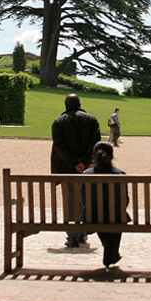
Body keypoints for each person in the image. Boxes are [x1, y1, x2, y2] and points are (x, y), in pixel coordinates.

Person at [51, 93, 101, 247]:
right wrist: (84, 163)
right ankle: (83, 233)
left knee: (70, 201)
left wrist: (73, 163)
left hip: (66, 168)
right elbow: (95, 143)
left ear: (66, 106)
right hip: (87, 170)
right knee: (86, 200)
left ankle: (72, 235)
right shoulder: (92, 120)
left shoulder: (58, 122)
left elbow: (59, 146)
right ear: (79, 104)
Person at [82, 142, 129, 268]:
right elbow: (125, 200)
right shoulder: (120, 174)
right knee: (117, 216)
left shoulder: (87, 174)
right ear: (112, 156)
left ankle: (111, 253)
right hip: (116, 217)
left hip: (92, 217)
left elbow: (83, 199)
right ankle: (111, 254)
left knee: (98, 214)